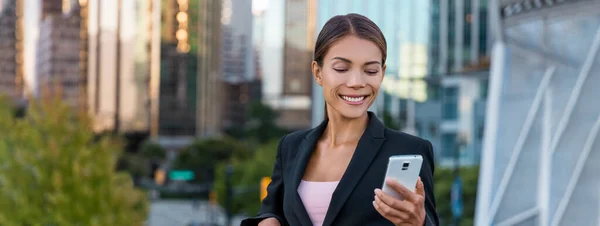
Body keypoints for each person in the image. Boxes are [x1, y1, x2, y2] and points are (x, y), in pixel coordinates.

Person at [241, 13, 439, 226]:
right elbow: (271, 210)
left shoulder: (409, 150)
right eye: (342, 69)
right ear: (318, 72)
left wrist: (420, 223)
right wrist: (268, 221)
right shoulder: (291, 146)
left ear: (381, 74)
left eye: (370, 70)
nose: (356, 82)